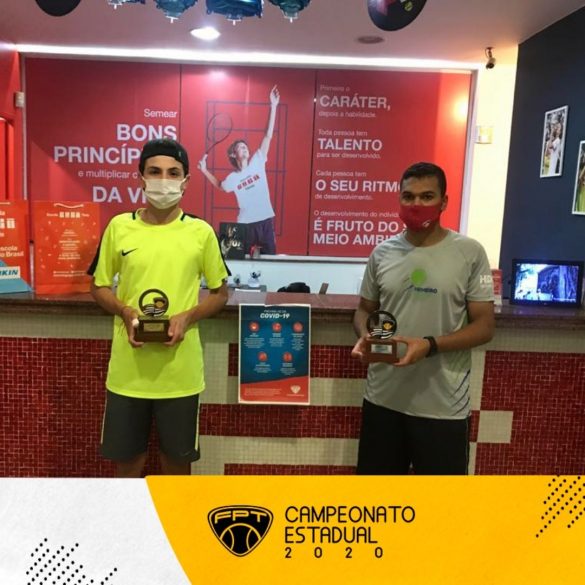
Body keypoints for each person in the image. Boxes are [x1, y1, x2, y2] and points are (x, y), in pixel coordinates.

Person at [88, 138, 229, 477]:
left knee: (177, 465)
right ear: (141, 177)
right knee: (128, 465)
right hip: (128, 373)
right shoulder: (119, 227)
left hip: (180, 375)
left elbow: (220, 293)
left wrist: (187, 316)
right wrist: (124, 311)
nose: (163, 180)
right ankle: (130, 514)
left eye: (172, 173)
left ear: (186, 181)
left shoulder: (201, 233)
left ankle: (171, 515)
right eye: (155, 172)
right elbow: (98, 286)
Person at [351, 162, 495, 475]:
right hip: (383, 400)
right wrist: (364, 334)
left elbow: (484, 326)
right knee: (377, 499)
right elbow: (364, 309)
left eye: (427, 196)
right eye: (408, 196)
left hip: (443, 406)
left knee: (439, 503)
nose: (416, 204)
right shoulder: (382, 253)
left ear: (444, 202)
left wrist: (429, 345)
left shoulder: (470, 253)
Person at [198, 86, 280, 255]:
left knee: (270, 261)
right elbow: (220, 186)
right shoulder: (232, 178)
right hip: (244, 224)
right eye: (240, 147)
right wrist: (204, 170)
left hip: (265, 221)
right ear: (233, 154)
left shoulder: (257, 162)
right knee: (237, 260)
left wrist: (273, 106)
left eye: (245, 147)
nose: (244, 149)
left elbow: (268, 136)